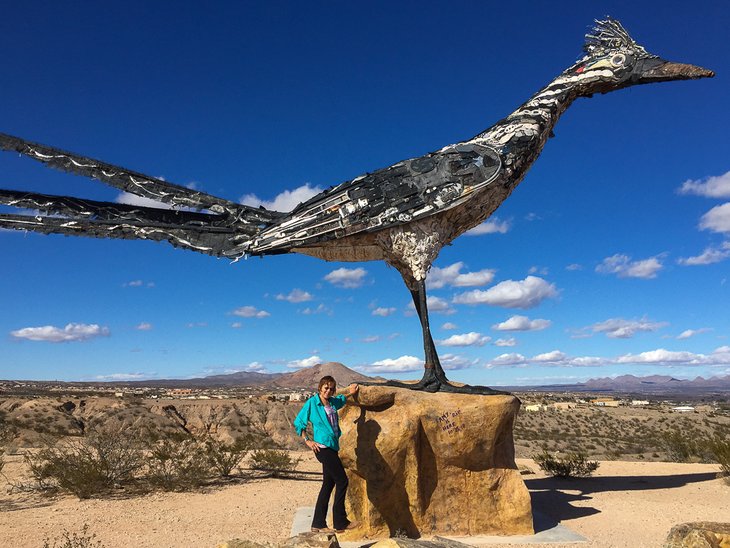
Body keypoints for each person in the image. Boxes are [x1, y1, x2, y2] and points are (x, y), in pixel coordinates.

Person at [294, 375, 359, 533]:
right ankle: (340, 522)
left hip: (332, 447)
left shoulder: (331, 402)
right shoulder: (312, 403)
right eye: (326, 388)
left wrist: (351, 392)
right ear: (320, 388)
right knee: (342, 481)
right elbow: (298, 422)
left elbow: (342, 400)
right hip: (322, 448)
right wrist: (308, 441)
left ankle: (317, 523)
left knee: (328, 485)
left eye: (331, 388)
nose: (328, 391)